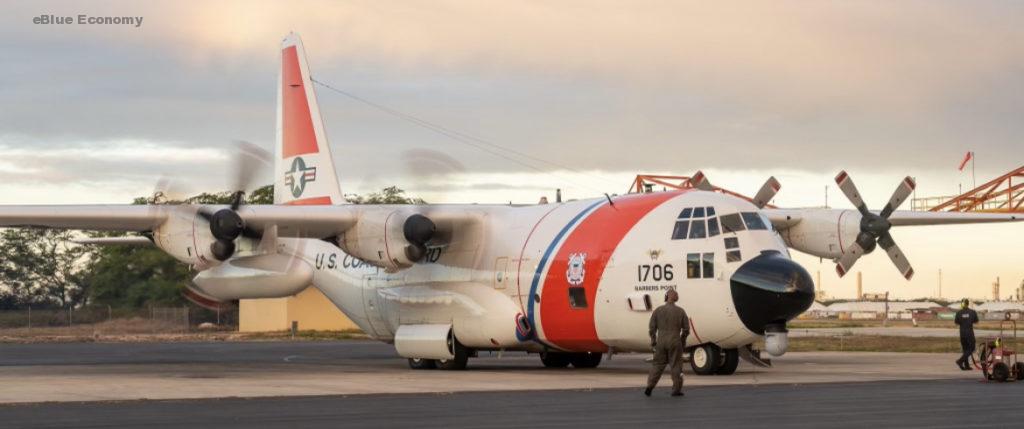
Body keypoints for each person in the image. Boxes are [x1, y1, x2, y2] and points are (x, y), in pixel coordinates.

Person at [645, 289, 689, 397]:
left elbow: (652, 328)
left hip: (661, 341)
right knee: (676, 366)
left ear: (666, 297)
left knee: (657, 365)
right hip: (675, 341)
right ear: (675, 297)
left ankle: (650, 386)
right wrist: (682, 341)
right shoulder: (681, 311)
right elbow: (686, 330)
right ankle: (676, 390)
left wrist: (653, 341)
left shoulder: (658, 310)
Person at [954, 298, 979, 370]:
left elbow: (956, 322)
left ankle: (966, 366)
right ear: (968, 304)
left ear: (962, 304)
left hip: (962, 333)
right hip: (969, 333)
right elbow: (976, 321)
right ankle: (960, 361)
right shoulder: (973, 312)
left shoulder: (958, 313)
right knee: (971, 348)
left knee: (965, 350)